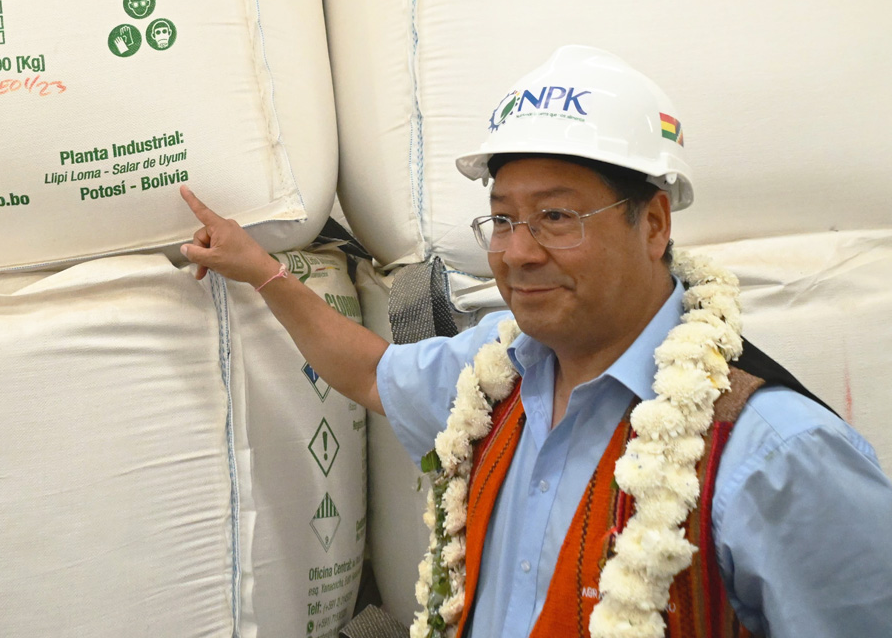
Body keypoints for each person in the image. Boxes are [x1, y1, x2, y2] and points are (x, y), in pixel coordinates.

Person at [179, 45, 892, 638]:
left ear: (654, 225)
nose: (517, 252)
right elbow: (371, 374)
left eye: (555, 217)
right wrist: (263, 271)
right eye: (502, 219)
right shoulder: (495, 374)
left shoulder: (775, 456)